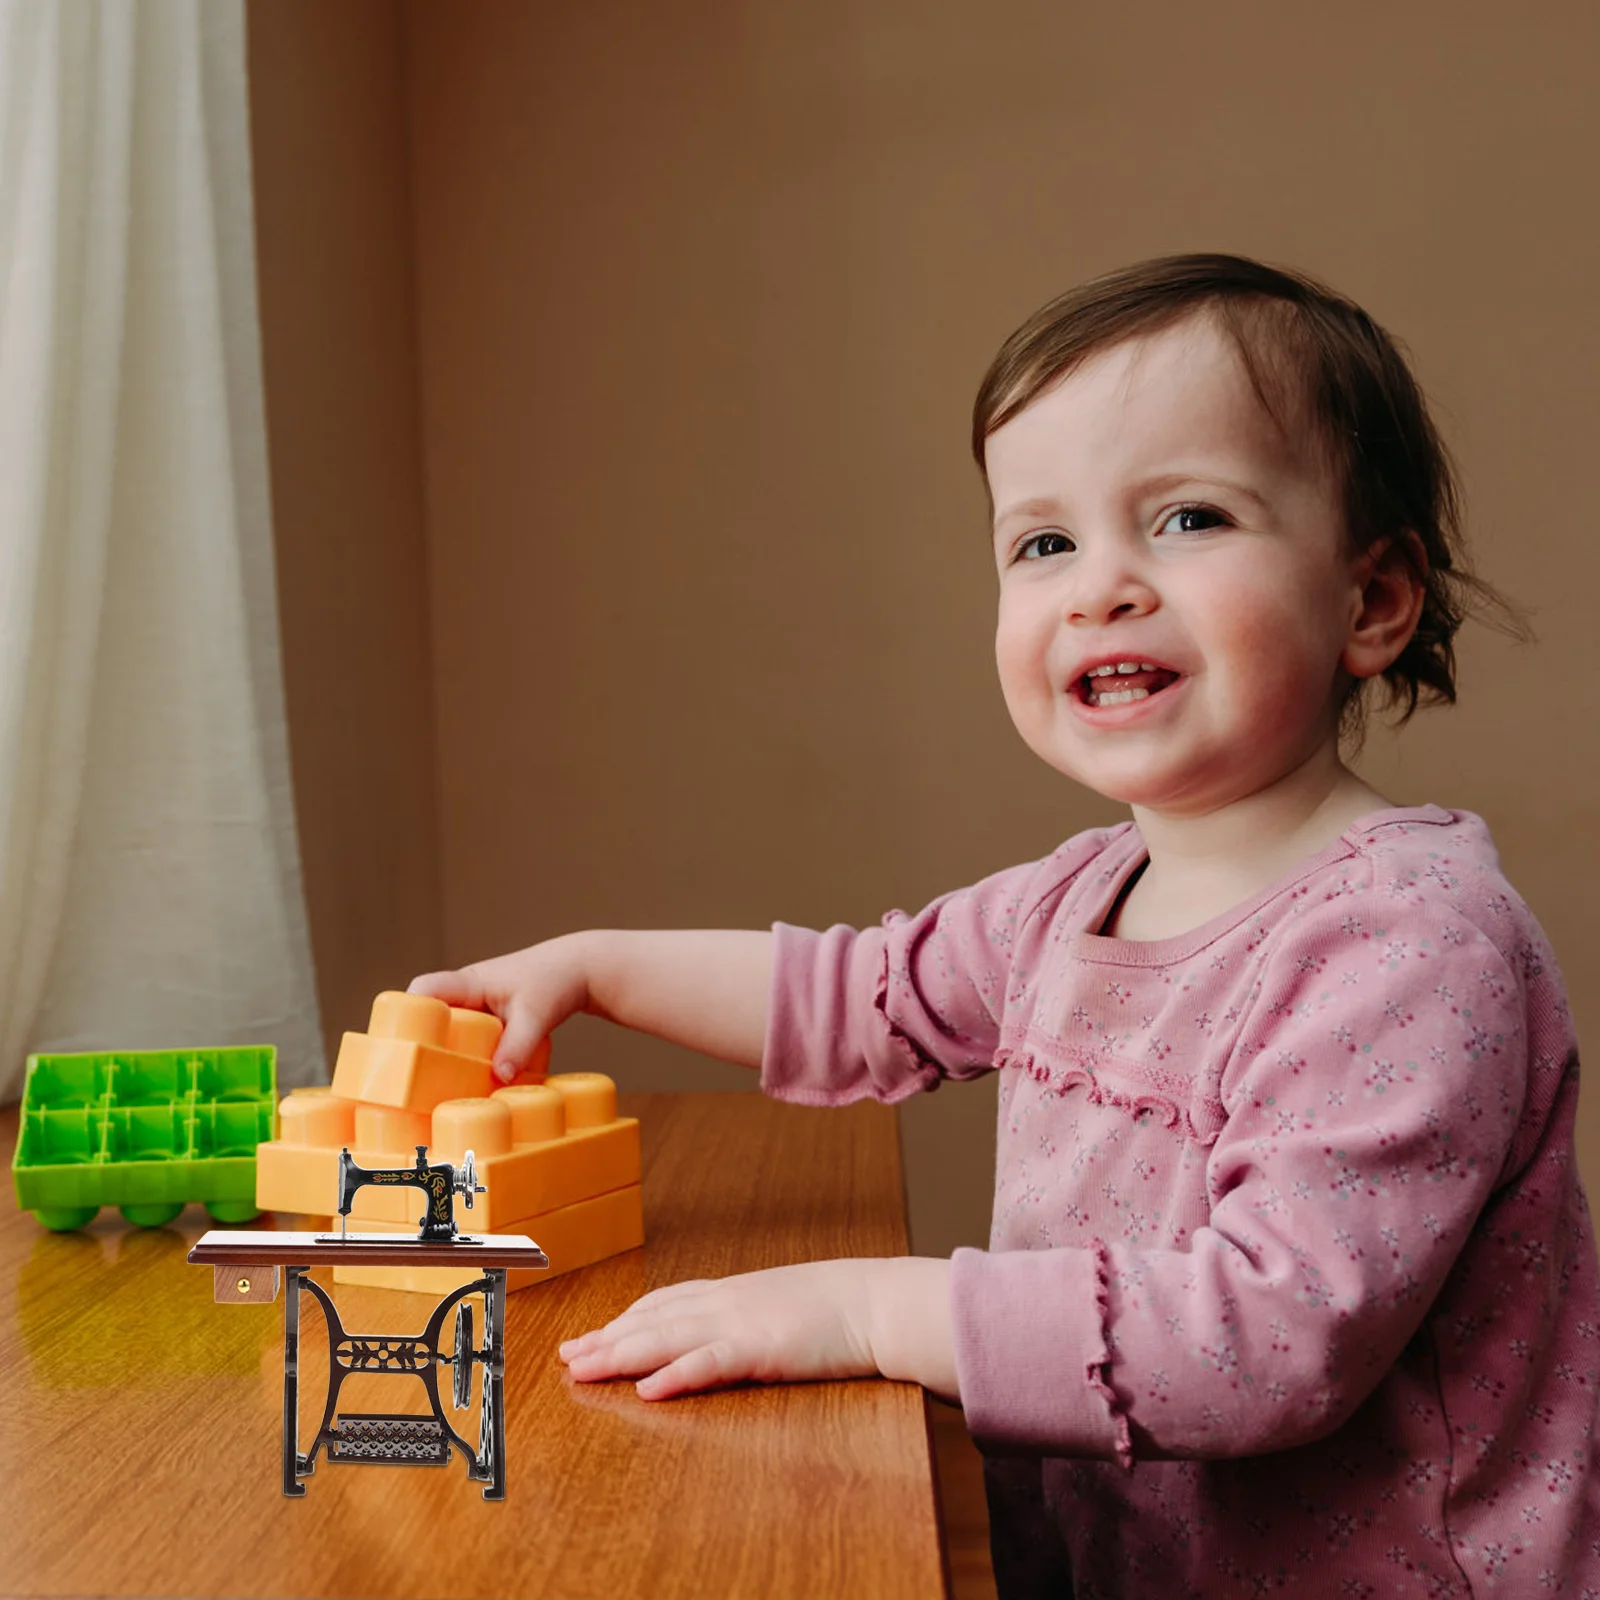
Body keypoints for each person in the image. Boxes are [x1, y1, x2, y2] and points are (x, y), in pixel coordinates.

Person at [410, 254, 1598, 1596]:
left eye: (1190, 518)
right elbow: (859, 992)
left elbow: (1271, 1335)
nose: (1102, 586)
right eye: (1044, 542)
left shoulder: (1408, 944)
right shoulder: (1071, 900)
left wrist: (864, 1310)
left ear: (1370, 601)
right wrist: (594, 968)